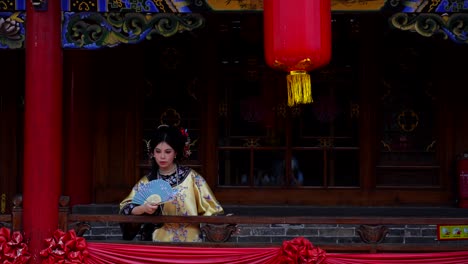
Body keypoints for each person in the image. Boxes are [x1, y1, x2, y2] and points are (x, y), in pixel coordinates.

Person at [119, 124, 224, 242]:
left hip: (191, 244)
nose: (162, 156)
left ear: (176, 153)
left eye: (168, 151)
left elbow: (213, 211)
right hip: (157, 244)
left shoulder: (192, 178)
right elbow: (126, 208)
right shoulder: (147, 181)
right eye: (158, 151)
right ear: (153, 153)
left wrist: (226, 226)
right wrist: (143, 209)